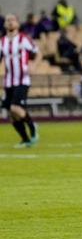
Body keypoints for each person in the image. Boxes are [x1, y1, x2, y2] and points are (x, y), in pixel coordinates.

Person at [0, 14, 40, 148]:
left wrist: (34, 65)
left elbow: (37, 52)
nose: (10, 22)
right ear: (5, 24)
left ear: (17, 23)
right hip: (8, 82)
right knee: (11, 114)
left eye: (13, 20)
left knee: (15, 107)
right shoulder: (2, 41)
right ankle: (25, 139)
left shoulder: (24, 39)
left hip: (22, 79)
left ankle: (32, 126)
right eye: (8, 20)